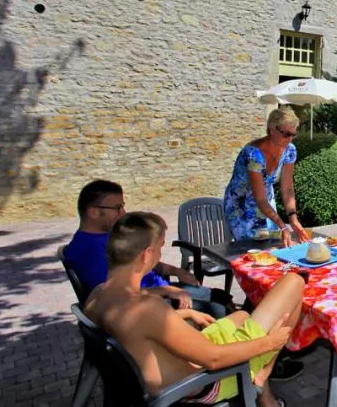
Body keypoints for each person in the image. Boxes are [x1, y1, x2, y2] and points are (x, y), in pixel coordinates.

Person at [84, 212, 303, 407]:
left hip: (178, 368)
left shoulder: (98, 295)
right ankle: (263, 376)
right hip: (206, 381)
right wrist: (270, 343)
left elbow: (134, 330)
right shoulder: (148, 309)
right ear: (146, 255)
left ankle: (263, 383)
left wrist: (187, 313)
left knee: (242, 315)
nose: (160, 255)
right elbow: (214, 359)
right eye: (160, 248)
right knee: (294, 281)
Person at [63, 179, 230, 316]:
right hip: (148, 304)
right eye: (117, 208)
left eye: (122, 206)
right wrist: (168, 290)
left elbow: (142, 262)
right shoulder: (88, 251)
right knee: (221, 309)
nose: (123, 212)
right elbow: (117, 297)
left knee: (221, 298)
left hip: (159, 291)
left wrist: (177, 272)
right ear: (93, 212)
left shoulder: (108, 236)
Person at [223, 108, 309, 246]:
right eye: (286, 134)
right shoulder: (253, 154)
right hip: (241, 205)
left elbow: (287, 188)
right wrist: (282, 225)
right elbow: (260, 199)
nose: (290, 138)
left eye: (293, 134)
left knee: (274, 246)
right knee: (252, 250)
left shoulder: (290, 151)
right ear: (271, 130)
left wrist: (293, 219)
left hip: (266, 202)